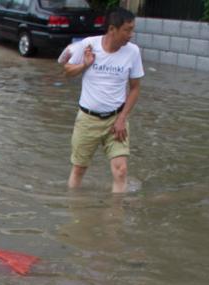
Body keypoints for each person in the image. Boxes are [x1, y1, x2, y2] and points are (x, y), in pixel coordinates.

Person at [64, 8, 143, 194]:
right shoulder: (89, 45)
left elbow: (135, 88)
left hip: (116, 120)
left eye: (132, 30)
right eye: (127, 30)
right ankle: (74, 210)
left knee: (121, 170)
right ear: (112, 29)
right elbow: (67, 71)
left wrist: (122, 118)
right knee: (79, 169)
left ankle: (116, 216)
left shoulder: (133, 52)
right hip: (88, 119)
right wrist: (85, 64)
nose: (131, 35)